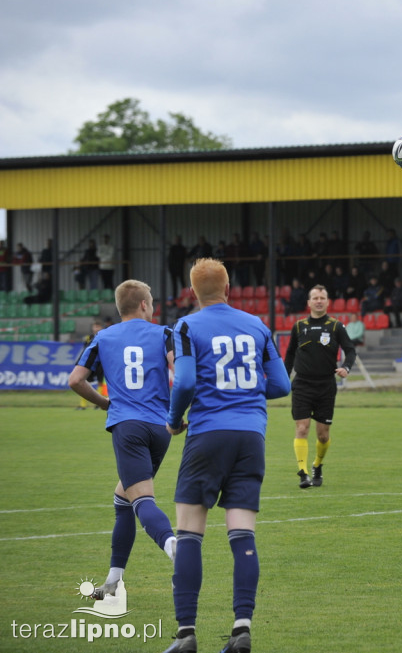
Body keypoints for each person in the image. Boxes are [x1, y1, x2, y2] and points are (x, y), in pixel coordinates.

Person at [162, 258, 290, 653]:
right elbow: (282, 384)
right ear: (229, 287)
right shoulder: (257, 325)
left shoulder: (186, 325)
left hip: (208, 434)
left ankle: (186, 635)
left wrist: (174, 418)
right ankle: (241, 628)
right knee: (242, 533)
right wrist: (246, 393)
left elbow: (183, 380)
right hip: (251, 435)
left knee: (188, 534)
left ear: (193, 291)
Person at [68, 279, 177, 600]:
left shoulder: (103, 337)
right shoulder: (164, 333)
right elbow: (180, 369)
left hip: (128, 427)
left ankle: (176, 547)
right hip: (161, 428)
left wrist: (105, 404)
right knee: (122, 499)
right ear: (144, 304)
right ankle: (113, 583)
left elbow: (75, 380)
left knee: (141, 499)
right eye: (152, 301)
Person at [284, 284, 356, 489]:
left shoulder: (336, 326)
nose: (318, 301)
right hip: (302, 384)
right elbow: (289, 355)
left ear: (327, 302)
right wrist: (283, 377)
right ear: (308, 302)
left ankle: (317, 465)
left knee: (323, 435)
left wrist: (346, 368)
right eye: (314, 298)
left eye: (322, 298)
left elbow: (350, 351)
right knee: (302, 427)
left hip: (326, 385)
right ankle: (303, 473)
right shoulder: (298, 326)